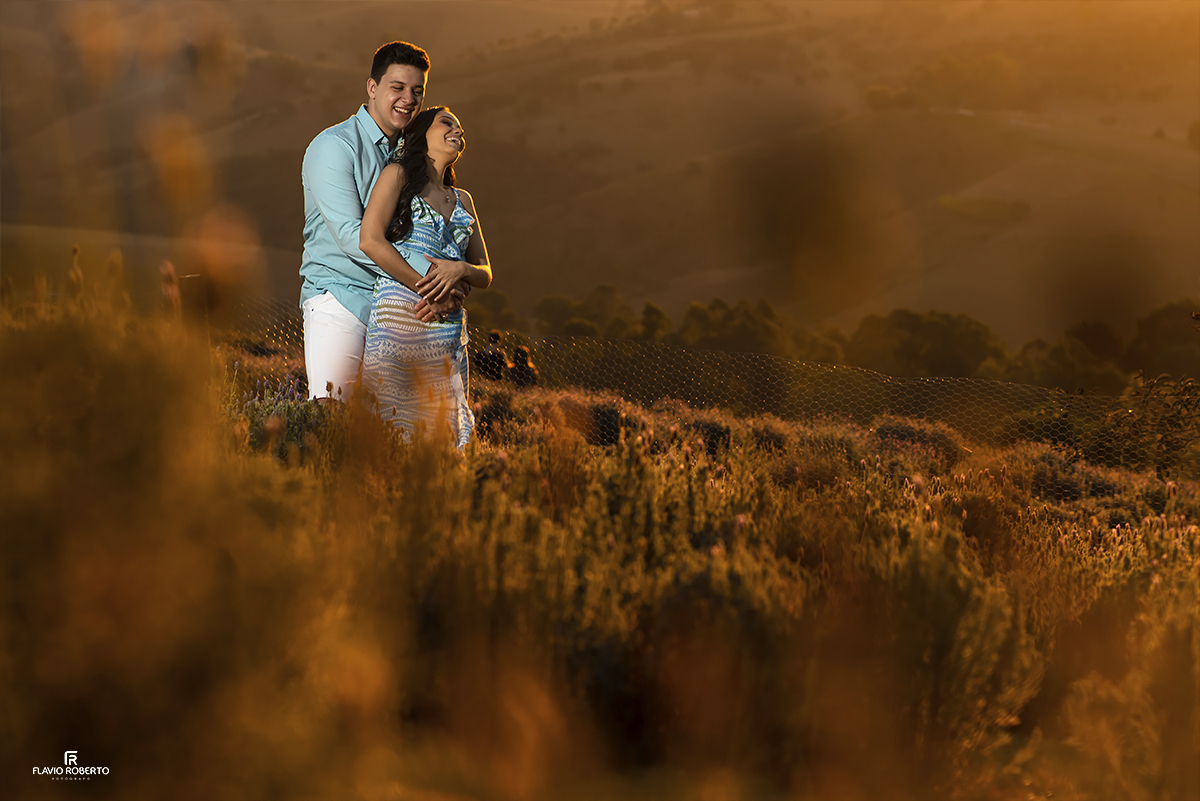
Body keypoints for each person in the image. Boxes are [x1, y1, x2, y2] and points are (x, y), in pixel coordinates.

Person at [299, 41, 468, 402]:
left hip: (396, 308)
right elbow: (352, 236)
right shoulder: (334, 147)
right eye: (397, 87)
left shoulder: (410, 160)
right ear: (372, 88)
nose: (408, 99)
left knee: (387, 432)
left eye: (416, 91)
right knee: (332, 414)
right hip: (341, 301)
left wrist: (454, 276)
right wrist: (432, 285)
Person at [359, 107, 492, 447]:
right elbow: (370, 240)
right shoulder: (397, 176)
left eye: (461, 128)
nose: (458, 131)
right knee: (390, 424)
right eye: (447, 123)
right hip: (403, 316)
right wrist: (432, 291)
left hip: (447, 328)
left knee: (443, 433)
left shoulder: (463, 199)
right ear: (421, 135)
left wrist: (460, 269)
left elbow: (485, 273)